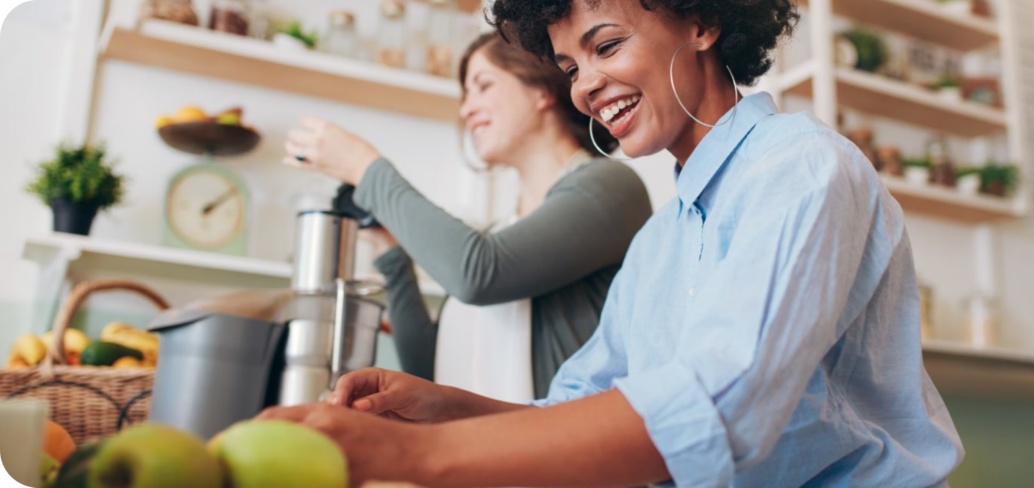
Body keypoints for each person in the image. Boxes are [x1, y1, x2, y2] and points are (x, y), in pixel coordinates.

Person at [261, 1, 965, 486]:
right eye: (570, 67)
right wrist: (444, 406)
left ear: (704, 20)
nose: (587, 85)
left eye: (606, 45)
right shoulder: (660, 238)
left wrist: (421, 455)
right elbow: (580, 406)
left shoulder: (803, 167)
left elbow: (715, 407)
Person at [281, 30, 652, 403]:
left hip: (563, 453)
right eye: (466, 94)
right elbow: (430, 373)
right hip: (481, 451)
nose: (466, 109)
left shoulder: (607, 186)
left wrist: (364, 167)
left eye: (483, 86)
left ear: (542, 88)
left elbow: (478, 273)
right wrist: (391, 252)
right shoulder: (498, 234)